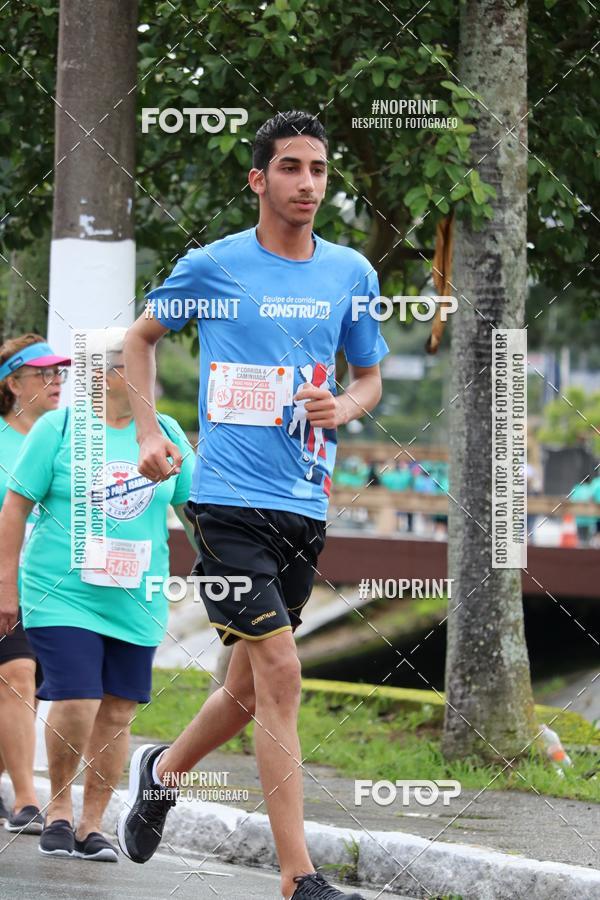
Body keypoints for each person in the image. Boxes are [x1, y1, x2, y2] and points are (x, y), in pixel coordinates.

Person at [118, 111, 389, 900]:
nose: (308, 184)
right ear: (258, 179)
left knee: (243, 692)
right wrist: (148, 433)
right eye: (292, 168)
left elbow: (370, 376)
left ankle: (161, 771)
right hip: (227, 502)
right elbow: (139, 339)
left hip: (304, 502)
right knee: (280, 673)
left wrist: (348, 404)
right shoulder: (213, 266)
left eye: (319, 170)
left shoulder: (351, 275)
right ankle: (298, 878)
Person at [0, 327, 195, 860]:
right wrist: (5, 589)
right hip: (62, 592)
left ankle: (91, 825)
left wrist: (228, 574)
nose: (143, 376)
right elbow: (15, 507)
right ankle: (58, 810)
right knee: (78, 697)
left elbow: (194, 510)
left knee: (117, 711)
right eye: (134, 363)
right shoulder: (59, 428)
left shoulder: (168, 432)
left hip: (136, 596)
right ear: (105, 372)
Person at [0, 333, 71, 835]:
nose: (54, 382)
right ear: (12, 382)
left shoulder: (66, 439)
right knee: (19, 675)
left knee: (29, 690)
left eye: (59, 373)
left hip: (51, 582)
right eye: (42, 374)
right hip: (4, 579)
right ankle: (27, 801)